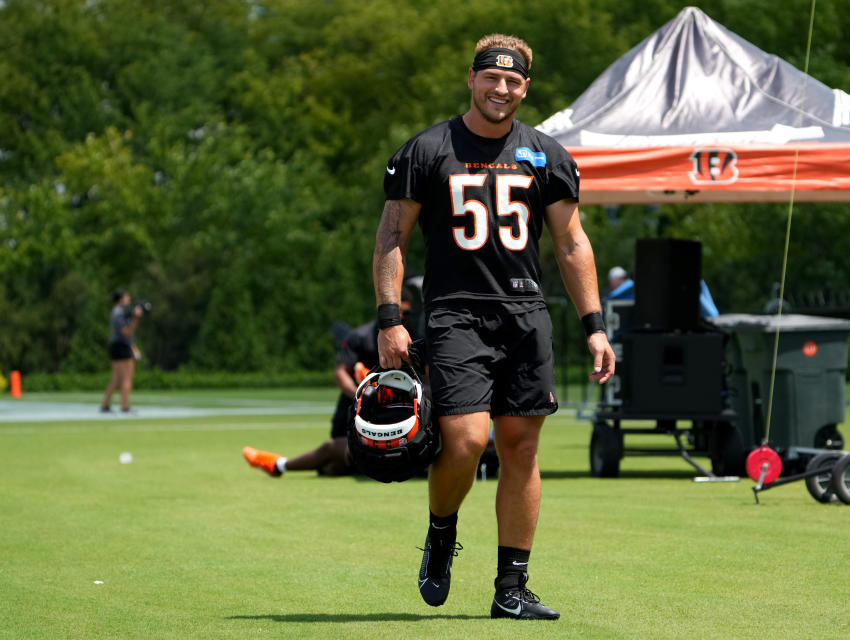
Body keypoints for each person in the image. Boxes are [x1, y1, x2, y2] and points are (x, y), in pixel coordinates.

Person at [373, 33, 615, 621]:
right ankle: (441, 530)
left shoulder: (547, 153)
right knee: (465, 440)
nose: (501, 89)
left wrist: (596, 326)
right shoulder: (426, 149)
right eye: (492, 78)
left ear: (525, 88)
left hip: (525, 314)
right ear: (472, 79)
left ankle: (511, 588)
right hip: (455, 311)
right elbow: (391, 237)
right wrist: (390, 320)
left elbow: (571, 242)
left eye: (513, 81)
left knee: (521, 448)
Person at [242, 296, 414, 477]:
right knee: (334, 460)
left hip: (392, 426)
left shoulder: (413, 339)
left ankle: (278, 465)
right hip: (354, 416)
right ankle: (280, 465)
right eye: (397, 310)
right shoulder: (359, 337)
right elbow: (341, 373)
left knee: (333, 462)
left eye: (407, 312)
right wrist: (363, 394)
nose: (402, 316)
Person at [100, 289, 142, 414]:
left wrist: (133, 346)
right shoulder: (119, 313)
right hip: (121, 346)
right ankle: (125, 406)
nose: (129, 299)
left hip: (118, 345)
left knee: (117, 378)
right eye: (127, 297)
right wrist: (135, 319)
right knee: (127, 378)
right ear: (121, 299)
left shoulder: (119, 312)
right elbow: (126, 332)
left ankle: (106, 404)